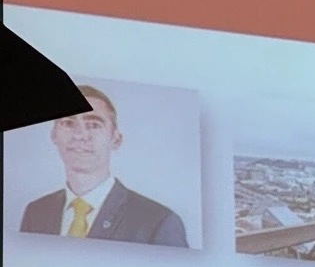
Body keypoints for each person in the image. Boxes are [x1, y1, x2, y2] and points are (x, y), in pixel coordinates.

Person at [19, 85, 188, 247]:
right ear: (54, 135)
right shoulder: (36, 212)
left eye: (94, 125)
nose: (79, 135)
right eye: (68, 123)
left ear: (116, 139)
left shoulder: (158, 222)